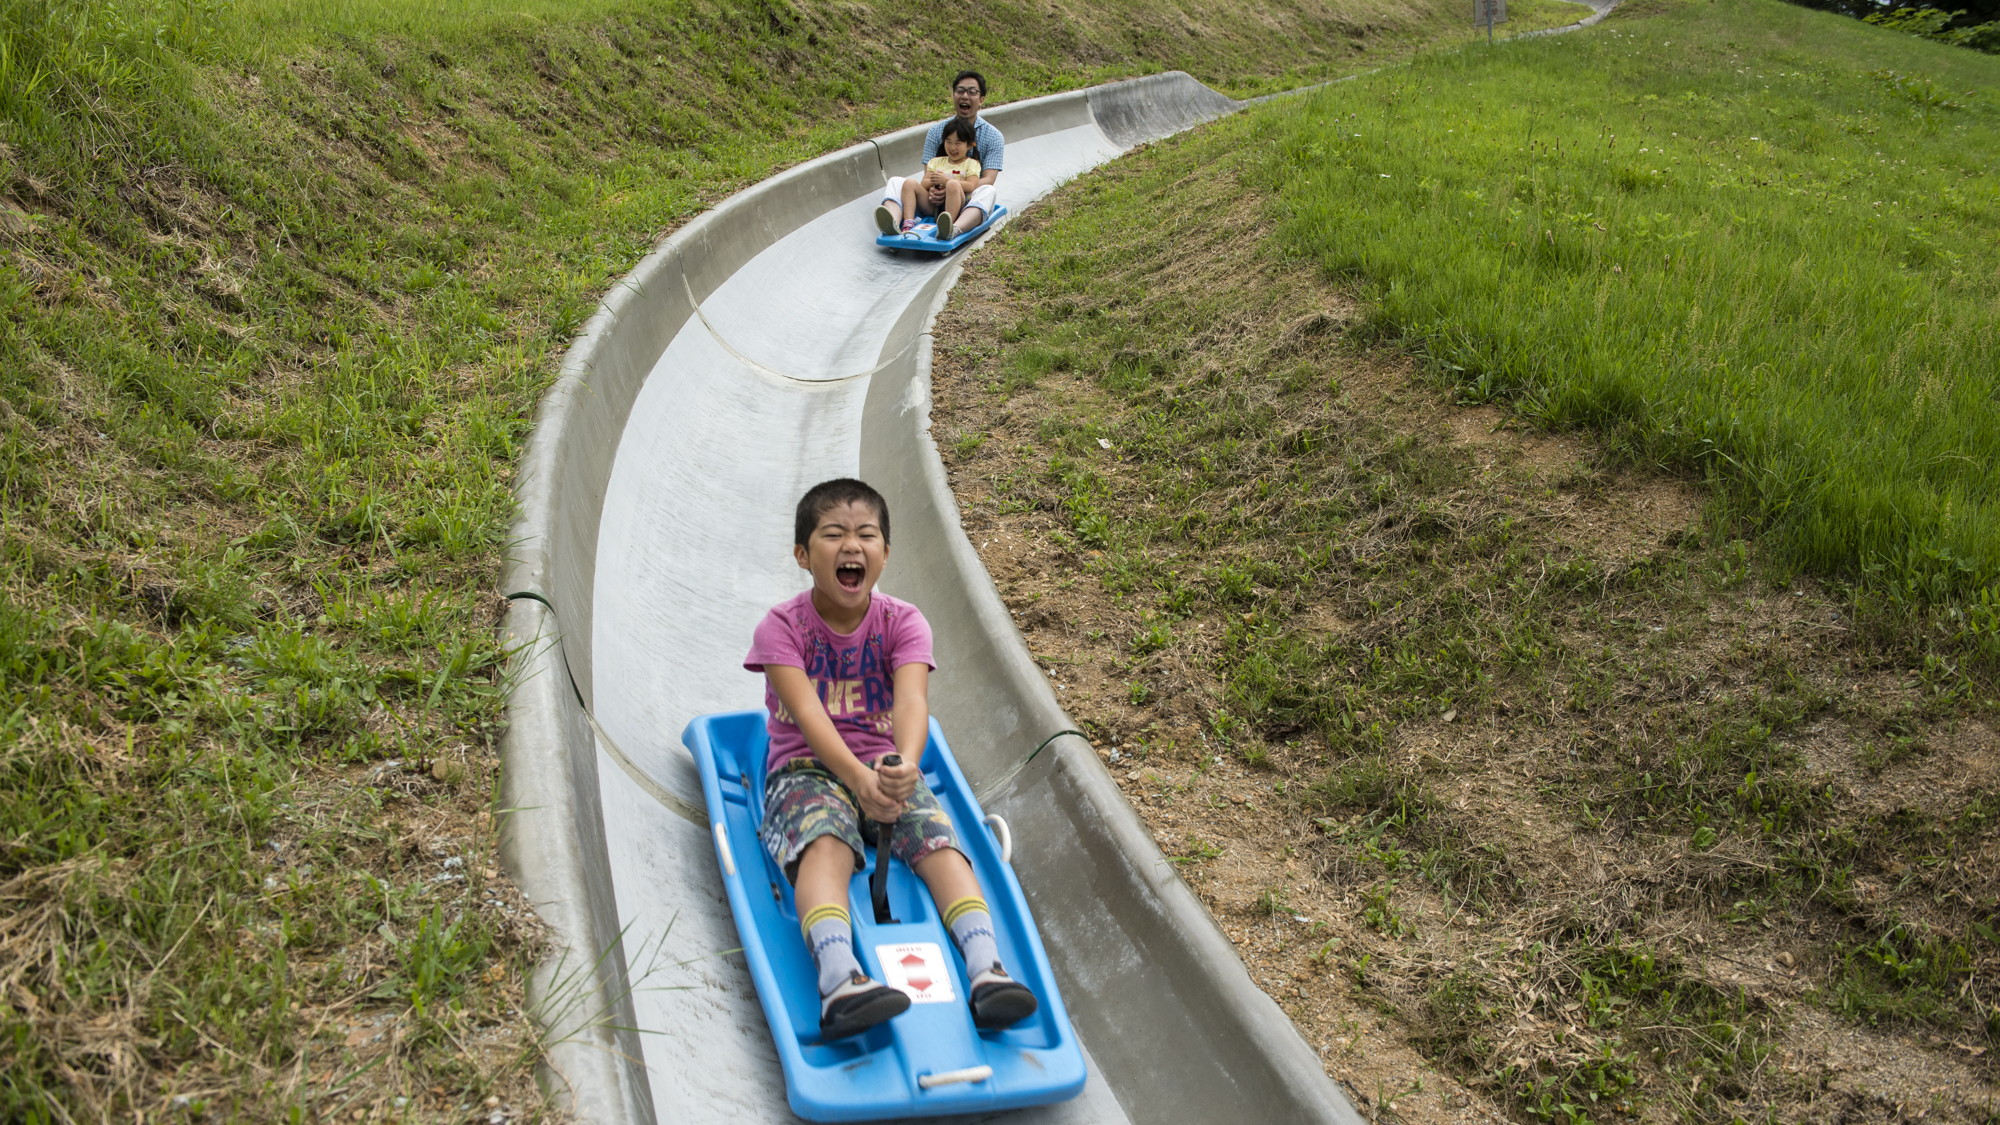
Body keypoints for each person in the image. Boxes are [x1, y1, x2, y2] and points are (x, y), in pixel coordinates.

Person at [745, 479, 1039, 1041]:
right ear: (804, 555)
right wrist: (854, 780)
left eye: (866, 534)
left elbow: (912, 702)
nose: (851, 545)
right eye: (833, 534)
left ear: (884, 552)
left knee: (940, 843)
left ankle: (986, 970)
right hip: (807, 769)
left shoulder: (903, 621)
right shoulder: (781, 628)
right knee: (825, 842)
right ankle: (839, 981)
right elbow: (808, 715)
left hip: (883, 767)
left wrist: (904, 765)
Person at [874, 70, 1004, 239]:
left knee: (988, 191)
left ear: (981, 100)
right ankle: (893, 222)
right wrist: (935, 190)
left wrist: (953, 186)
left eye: (972, 92)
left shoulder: (993, 136)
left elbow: (988, 178)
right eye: (960, 91)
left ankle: (953, 228)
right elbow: (928, 173)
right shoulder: (937, 131)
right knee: (896, 181)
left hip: (966, 198)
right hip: (933, 199)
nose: (965, 96)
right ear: (953, 95)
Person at [895, 118, 982, 239]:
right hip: (933, 204)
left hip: (957, 205)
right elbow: (923, 184)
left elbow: (971, 185)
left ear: (969, 145)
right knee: (909, 183)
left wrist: (947, 181)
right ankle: (908, 222)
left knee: (952, 185)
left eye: (958, 143)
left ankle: (947, 226)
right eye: (948, 142)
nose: (952, 147)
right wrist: (934, 182)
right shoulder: (936, 162)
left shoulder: (971, 164)